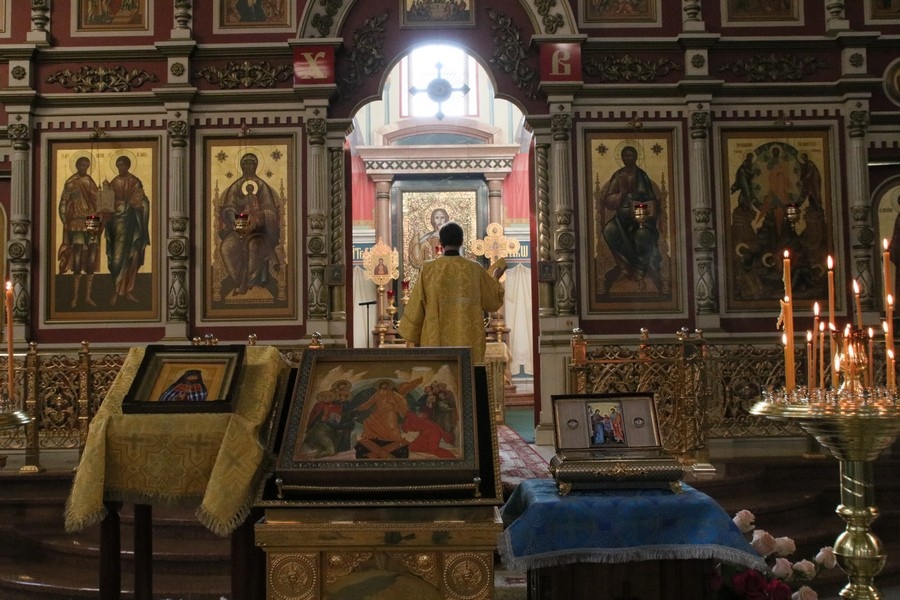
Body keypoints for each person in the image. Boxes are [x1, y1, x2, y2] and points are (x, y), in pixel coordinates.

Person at [399, 221, 506, 365]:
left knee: (439, 378)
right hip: (469, 343)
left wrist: (412, 334)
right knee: (467, 376)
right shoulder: (474, 269)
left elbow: (417, 305)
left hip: (436, 342)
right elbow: (492, 302)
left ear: (441, 242)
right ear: (461, 241)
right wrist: (496, 278)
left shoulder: (429, 269)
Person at [597, 145, 667, 294]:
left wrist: (644, 206)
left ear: (635, 157)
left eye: (630, 155)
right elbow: (608, 200)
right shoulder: (618, 176)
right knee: (609, 230)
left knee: (642, 235)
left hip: (642, 218)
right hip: (622, 219)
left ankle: (640, 273)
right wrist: (621, 195)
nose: (627, 158)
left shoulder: (642, 175)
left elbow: (652, 199)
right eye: (625, 155)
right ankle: (624, 268)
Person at [218, 153, 281, 297]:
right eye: (245, 164)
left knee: (253, 247)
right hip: (240, 226)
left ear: (256, 166)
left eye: (251, 163)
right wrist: (233, 219)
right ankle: (238, 281)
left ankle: (250, 282)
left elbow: (271, 211)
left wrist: (260, 215)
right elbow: (229, 207)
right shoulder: (236, 186)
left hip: (260, 230)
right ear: (241, 166)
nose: (248, 166)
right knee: (226, 247)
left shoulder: (262, 186)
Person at [105, 155, 151, 306]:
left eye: (123, 165)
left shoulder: (135, 181)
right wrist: (105, 195)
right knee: (117, 259)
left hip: (133, 225)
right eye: (118, 165)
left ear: (128, 165)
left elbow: (143, 201)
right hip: (117, 226)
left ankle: (129, 290)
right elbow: (107, 206)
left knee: (134, 256)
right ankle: (116, 291)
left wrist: (139, 204)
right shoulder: (113, 183)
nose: (120, 168)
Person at [58, 156, 101, 308]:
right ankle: (75, 297)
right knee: (76, 258)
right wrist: (64, 220)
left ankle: (88, 296)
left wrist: (103, 195)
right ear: (76, 165)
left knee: (92, 257)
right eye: (82, 165)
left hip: (92, 220)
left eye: (86, 165)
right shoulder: (70, 182)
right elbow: (63, 202)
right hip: (76, 220)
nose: (84, 167)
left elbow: (99, 200)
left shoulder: (90, 181)